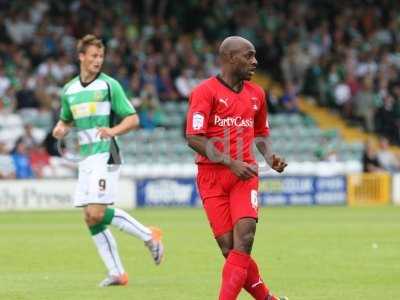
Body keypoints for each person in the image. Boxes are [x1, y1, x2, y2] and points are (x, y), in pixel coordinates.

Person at [52, 34, 164, 287]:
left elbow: (132, 119)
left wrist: (113, 131)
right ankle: (117, 273)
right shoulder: (68, 90)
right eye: (93, 56)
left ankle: (150, 236)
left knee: (97, 211)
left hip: (108, 151)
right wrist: (61, 128)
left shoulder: (109, 85)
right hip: (87, 157)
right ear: (81, 57)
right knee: (90, 218)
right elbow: (66, 119)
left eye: (100, 56)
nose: (97, 60)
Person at [186, 36, 288, 300]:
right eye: (249, 56)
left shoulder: (257, 94)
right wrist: (230, 162)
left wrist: (269, 157)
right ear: (231, 58)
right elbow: (194, 138)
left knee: (245, 239)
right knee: (229, 250)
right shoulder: (205, 92)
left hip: (245, 176)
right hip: (213, 177)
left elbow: (261, 132)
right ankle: (268, 299)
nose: (255, 61)